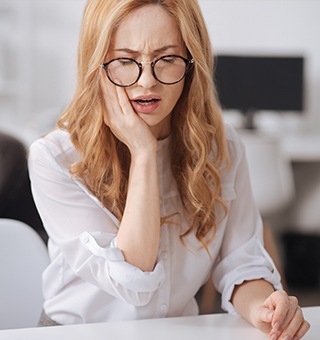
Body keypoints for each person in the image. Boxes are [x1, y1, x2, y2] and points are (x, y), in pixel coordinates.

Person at [28, 0, 310, 338]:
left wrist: (266, 308)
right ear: (97, 63)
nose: (147, 81)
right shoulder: (56, 157)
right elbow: (134, 279)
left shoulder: (222, 145)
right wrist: (144, 151)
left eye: (167, 60)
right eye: (125, 60)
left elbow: (241, 263)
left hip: (175, 331)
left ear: (192, 63)